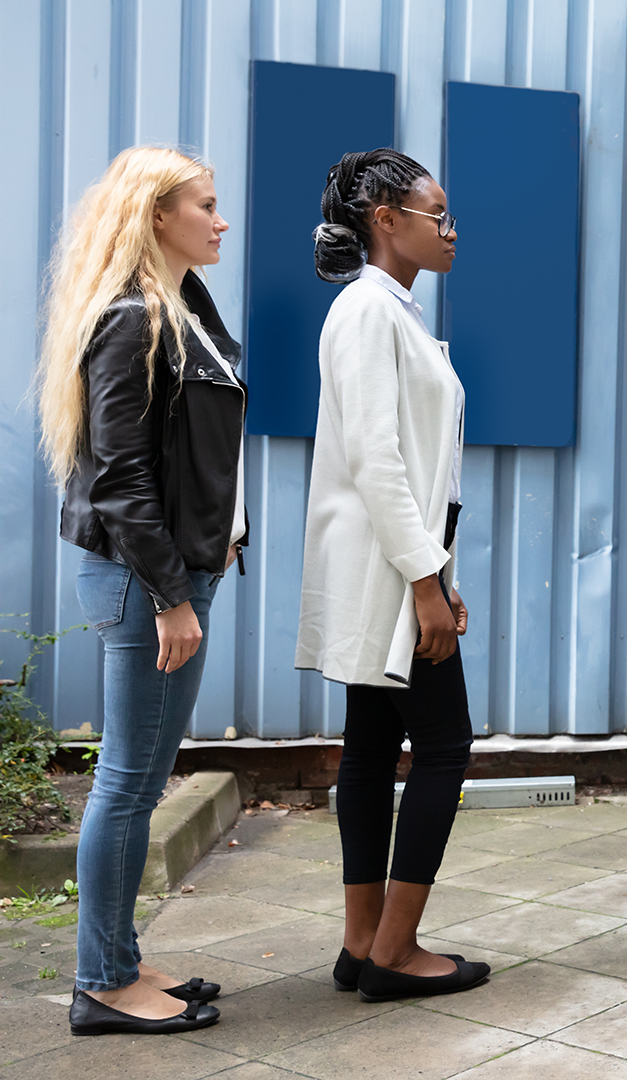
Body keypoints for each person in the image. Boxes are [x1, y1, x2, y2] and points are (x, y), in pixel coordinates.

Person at [38, 146, 245, 1035]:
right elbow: (121, 476)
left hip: (171, 571)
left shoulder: (184, 308)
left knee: (143, 776)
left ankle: (119, 957)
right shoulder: (133, 320)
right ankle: (101, 984)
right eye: (204, 203)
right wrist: (171, 594)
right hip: (144, 581)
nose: (220, 218)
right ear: (157, 215)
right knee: (126, 783)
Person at [296, 148, 488, 1003]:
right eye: (435, 214)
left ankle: (361, 942)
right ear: (385, 218)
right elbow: (378, 459)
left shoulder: (385, 311)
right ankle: (396, 952)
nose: (450, 230)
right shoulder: (369, 313)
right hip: (390, 568)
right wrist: (424, 581)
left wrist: (434, 571)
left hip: (398, 562)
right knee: (445, 746)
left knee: (372, 746)